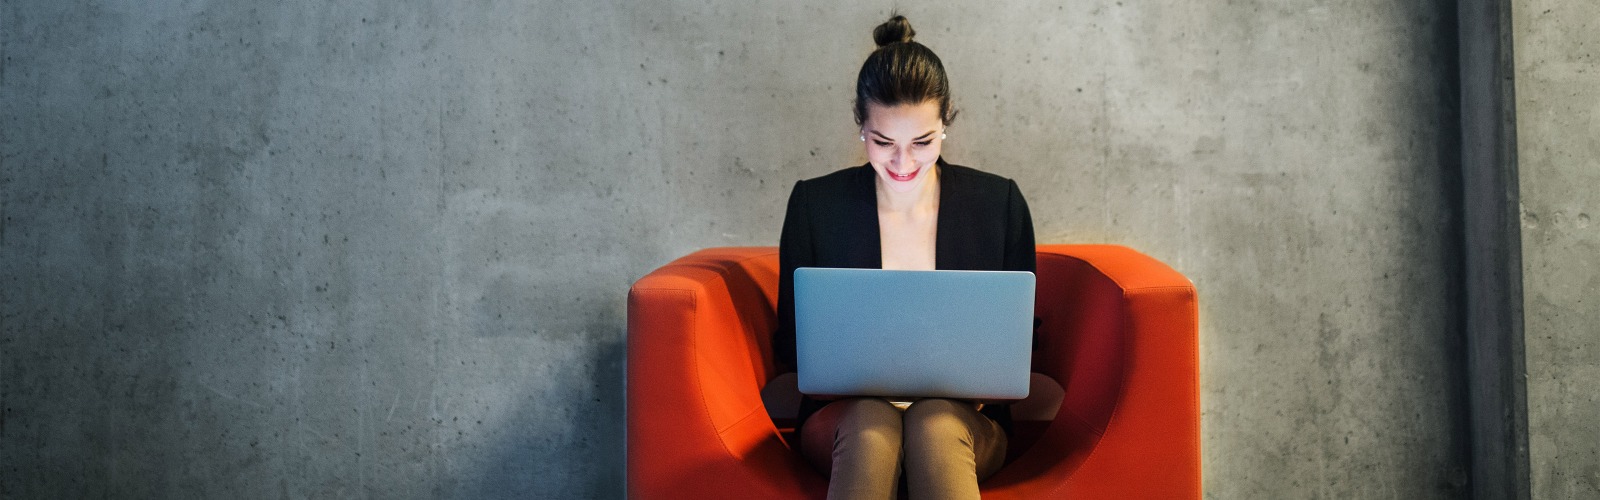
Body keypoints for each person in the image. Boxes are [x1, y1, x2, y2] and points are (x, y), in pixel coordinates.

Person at [775, 13, 1037, 500]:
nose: (902, 163)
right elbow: (791, 342)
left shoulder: (997, 204)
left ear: (946, 122)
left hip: (965, 419)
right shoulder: (816, 206)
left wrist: (981, 385)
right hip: (844, 415)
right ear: (861, 125)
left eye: (922, 142)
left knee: (933, 423)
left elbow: (1020, 341)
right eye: (882, 142)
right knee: (873, 425)